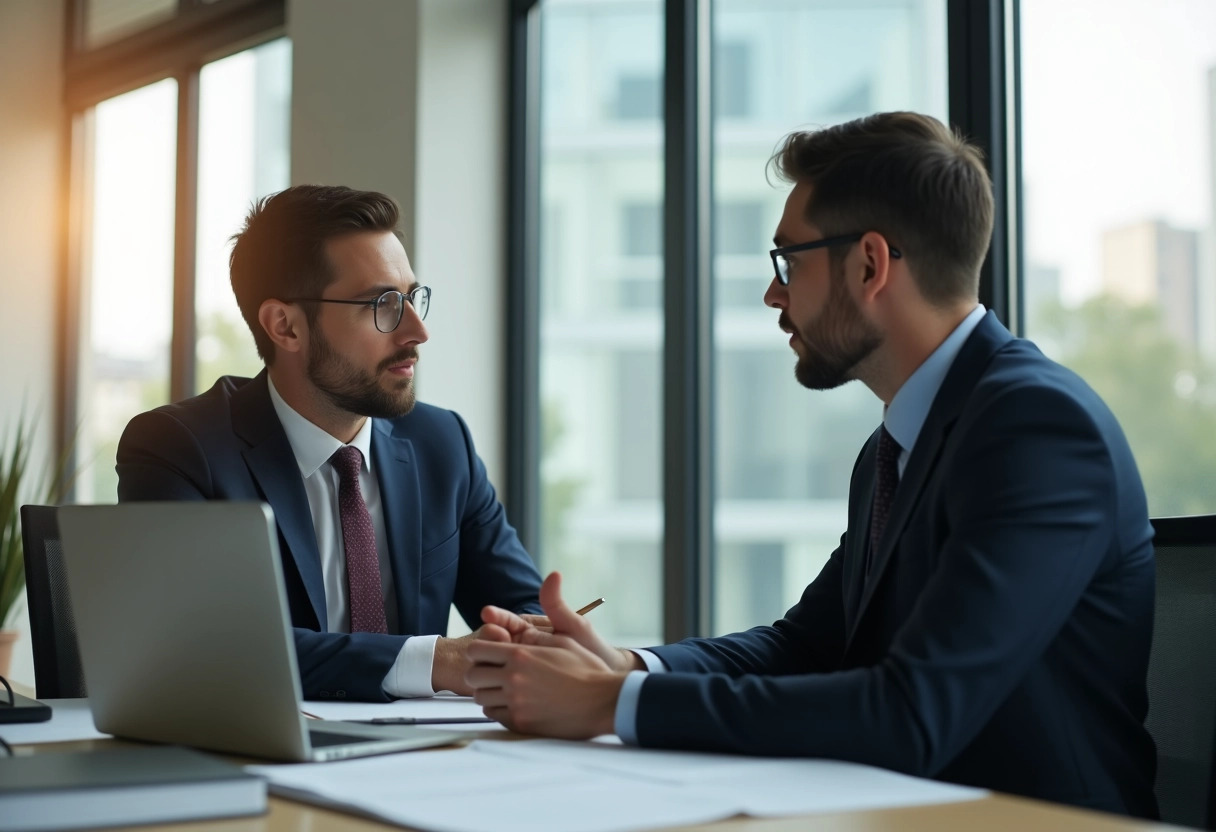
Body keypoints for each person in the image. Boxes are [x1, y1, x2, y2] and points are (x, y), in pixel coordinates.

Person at [465, 112, 1159, 818]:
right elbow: (805, 645)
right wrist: (630, 667)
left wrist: (609, 703)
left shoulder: (1037, 428)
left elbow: (912, 713)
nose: (774, 293)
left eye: (788, 261)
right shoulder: (896, 447)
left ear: (870, 264)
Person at [117, 185, 543, 702]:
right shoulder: (180, 449)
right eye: (382, 304)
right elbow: (203, 646)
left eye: (413, 297)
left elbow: (524, 610)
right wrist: (437, 660)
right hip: (265, 762)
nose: (417, 330)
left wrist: (539, 639)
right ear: (286, 326)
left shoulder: (441, 443)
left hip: (430, 757)